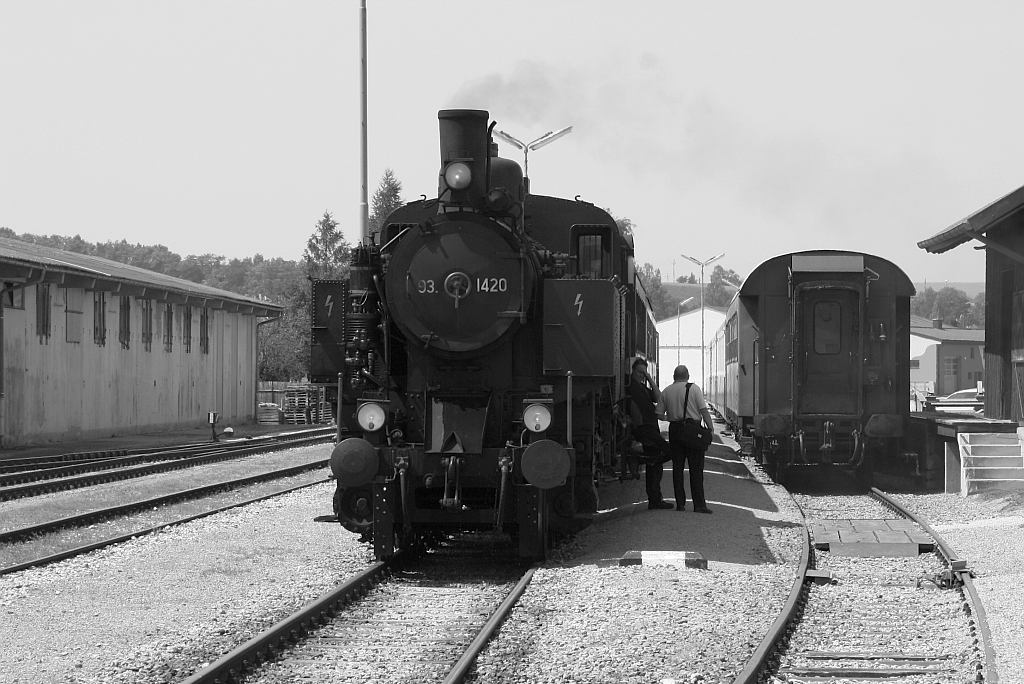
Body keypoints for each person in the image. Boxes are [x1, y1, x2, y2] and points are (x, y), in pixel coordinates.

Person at [656, 365, 714, 513]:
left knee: (678, 468)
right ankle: (699, 505)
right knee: (696, 469)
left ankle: (680, 504)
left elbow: (658, 414)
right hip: (693, 430)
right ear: (687, 376)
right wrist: (710, 427)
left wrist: (670, 418)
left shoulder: (666, 391)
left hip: (675, 430)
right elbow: (703, 410)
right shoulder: (694, 389)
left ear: (674, 376)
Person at [627, 358, 673, 510]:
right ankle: (638, 460)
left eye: (644, 373)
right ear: (632, 371)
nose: (642, 375)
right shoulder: (631, 387)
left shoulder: (642, 387)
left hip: (651, 427)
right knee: (667, 451)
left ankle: (655, 499)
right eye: (639, 372)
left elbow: (659, 398)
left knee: (656, 461)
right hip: (644, 427)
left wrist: (649, 379)